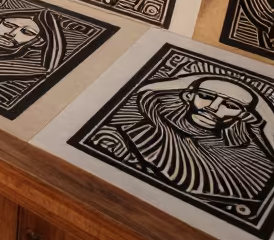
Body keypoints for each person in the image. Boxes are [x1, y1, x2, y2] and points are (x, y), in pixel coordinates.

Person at [97, 72, 274, 205]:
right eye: (206, 96)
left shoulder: (250, 165)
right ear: (189, 96)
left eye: (231, 105)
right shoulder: (131, 135)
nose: (213, 107)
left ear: (243, 116)